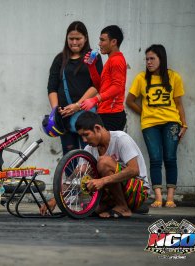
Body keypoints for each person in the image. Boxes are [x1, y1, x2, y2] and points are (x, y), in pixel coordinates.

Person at [40, 111, 150, 218]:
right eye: (81, 136)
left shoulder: (121, 139)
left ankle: (123, 207)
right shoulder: (89, 148)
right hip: (113, 194)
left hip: (138, 191)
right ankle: (112, 205)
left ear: (97, 128)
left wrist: (102, 181)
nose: (84, 140)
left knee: (103, 162)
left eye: (86, 135)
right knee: (90, 208)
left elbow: (134, 170)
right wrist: (55, 200)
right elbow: (78, 173)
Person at [126, 44, 187, 208]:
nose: (149, 62)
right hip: (150, 124)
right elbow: (130, 101)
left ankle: (171, 198)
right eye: (146, 59)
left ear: (162, 59)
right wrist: (144, 112)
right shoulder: (141, 78)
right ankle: (158, 197)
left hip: (171, 123)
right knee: (155, 159)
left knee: (170, 157)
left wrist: (184, 125)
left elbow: (179, 103)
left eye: (152, 58)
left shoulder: (174, 77)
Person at [46, 21, 103, 154]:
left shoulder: (93, 57)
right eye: (71, 39)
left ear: (86, 38)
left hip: (86, 115)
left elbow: (97, 85)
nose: (74, 42)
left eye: (78, 39)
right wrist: (55, 111)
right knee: (69, 155)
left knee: (88, 154)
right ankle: (71, 176)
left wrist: (78, 105)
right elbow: (52, 86)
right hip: (64, 115)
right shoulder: (60, 59)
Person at [80, 25, 127, 131]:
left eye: (102, 40)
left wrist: (95, 99)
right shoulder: (111, 60)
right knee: (103, 147)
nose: (99, 44)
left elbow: (118, 87)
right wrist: (91, 66)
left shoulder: (117, 60)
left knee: (106, 147)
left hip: (112, 114)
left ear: (113, 42)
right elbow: (100, 87)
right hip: (105, 113)